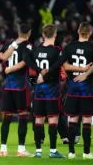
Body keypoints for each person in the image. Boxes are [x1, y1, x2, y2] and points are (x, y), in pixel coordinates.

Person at [40, 22, 93, 159]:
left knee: (72, 120)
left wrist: (46, 73)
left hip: (72, 90)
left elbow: (61, 64)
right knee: (86, 120)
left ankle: (71, 152)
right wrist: (87, 71)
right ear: (90, 32)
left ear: (78, 31)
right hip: (87, 90)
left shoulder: (70, 47)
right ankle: (86, 153)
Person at [27, 24, 66, 158]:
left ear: (43, 35)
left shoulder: (36, 49)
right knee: (53, 119)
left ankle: (38, 151)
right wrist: (46, 75)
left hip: (38, 91)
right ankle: (53, 151)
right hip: (52, 90)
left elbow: (28, 62)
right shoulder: (57, 50)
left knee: (39, 119)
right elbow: (57, 69)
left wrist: (39, 75)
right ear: (55, 35)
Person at [0, 24, 34, 157]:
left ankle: (3, 149)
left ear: (18, 32)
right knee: (23, 117)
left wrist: (7, 69)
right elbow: (25, 61)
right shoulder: (28, 45)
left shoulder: (10, 45)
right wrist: (11, 69)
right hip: (21, 85)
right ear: (29, 32)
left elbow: (3, 57)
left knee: (7, 117)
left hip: (8, 85)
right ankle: (21, 149)